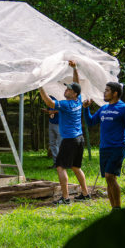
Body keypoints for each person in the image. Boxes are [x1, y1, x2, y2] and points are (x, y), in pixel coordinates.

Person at [38, 60, 91, 205]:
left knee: (60, 166)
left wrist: (40, 87)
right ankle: (85, 194)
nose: (65, 90)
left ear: (73, 94)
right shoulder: (78, 100)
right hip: (79, 139)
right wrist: (74, 69)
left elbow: (49, 103)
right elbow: (77, 83)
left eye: (68, 89)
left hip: (69, 140)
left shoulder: (66, 104)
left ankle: (66, 198)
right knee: (76, 167)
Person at [83, 82, 125, 211]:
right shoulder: (103, 108)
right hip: (104, 147)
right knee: (108, 179)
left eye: (107, 90)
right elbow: (90, 122)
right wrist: (85, 108)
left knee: (109, 176)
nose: (104, 93)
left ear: (115, 93)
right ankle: (114, 209)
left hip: (118, 147)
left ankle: (117, 208)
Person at [44, 101, 61, 168]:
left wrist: (53, 112)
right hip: (51, 122)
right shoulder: (50, 97)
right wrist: (49, 112)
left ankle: (63, 164)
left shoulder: (62, 96)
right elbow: (50, 109)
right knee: (52, 143)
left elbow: (65, 109)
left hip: (60, 123)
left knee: (60, 144)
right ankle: (56, 163)